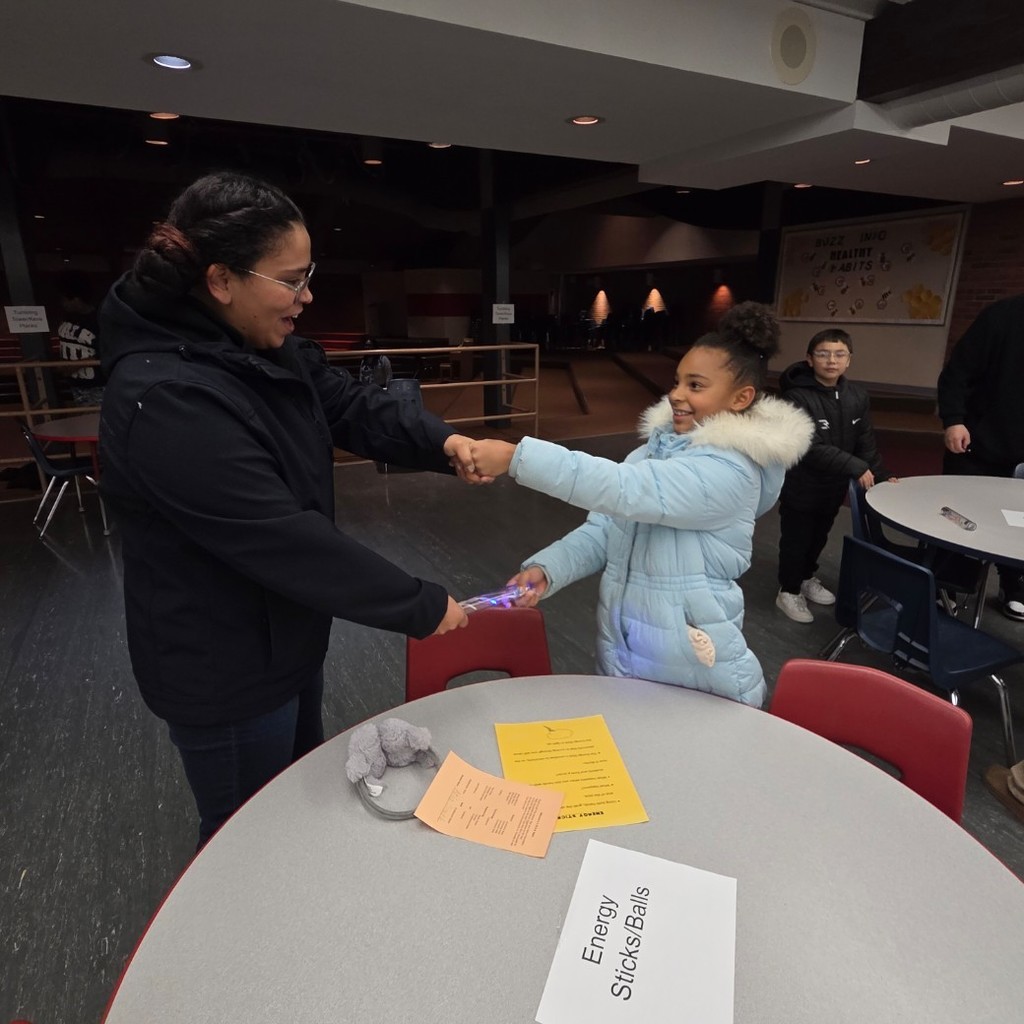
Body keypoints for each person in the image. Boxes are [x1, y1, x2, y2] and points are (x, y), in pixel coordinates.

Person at [98, 171, 488, 847]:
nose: (307, 296)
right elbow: (282, 540)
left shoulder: (257, 348)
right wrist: (421, 604)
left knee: (292, 802)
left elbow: (347, 404)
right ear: (222, 280)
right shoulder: (167, 399)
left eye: (309, 273)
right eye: (290, 279)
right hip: (222, 667)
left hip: (285, 638)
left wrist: (445, 440)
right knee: (244, 836)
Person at [469, 302, 814, 707]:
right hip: (629, 654)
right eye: (677, 381)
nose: (675, 395)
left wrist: (517, 458)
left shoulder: (730, 472)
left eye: (695, 386)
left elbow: (624, 489)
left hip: (694, 668)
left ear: (741, 398)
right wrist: (550, 568)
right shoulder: (655, 452)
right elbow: (606, 527)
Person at [774, 328, 894, 624]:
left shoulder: (856, 396)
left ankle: (806, 577)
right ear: (809, 359)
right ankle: (788, 590)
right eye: (823, 354)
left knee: (819, 536)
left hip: (832, 485)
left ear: (849, 360)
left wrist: (880, 473)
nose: (831, 360)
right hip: (801, 484)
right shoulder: (795, 398)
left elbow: (864, 439)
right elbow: (808, 447)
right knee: (796, 539)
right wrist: (855, 466)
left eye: (839, 354)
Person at [938, 293, 1024, 620]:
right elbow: (958, 372)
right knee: (961, 519)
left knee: (1017, 523)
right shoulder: (1002, 316)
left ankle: (1013, 584)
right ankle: (949, 585)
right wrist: (954, 419)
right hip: (978, 441)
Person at [54, 269, 105, 406]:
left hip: (96, 386)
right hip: (76, 383)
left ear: (76, 299)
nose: (62, 303)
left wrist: (74, 365)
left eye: (64, 299)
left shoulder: (99, 320)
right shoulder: (68, 317)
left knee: (93, 421)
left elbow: (107, 352)